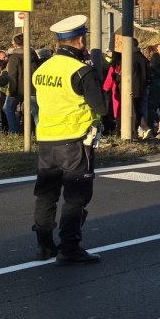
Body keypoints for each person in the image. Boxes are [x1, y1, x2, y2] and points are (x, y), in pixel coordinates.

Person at [30, 15, 108, 265]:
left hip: (46, 140)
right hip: (74, 141)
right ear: (81, 40)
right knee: (76, 197)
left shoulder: (42, 69)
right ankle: (70, 247)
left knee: (46, 195)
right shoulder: (81, 71)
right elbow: (101, 107)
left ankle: (44, 246)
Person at [2, 34, 38, 135]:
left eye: (13, 42)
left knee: (8, 108)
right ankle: (40, 134)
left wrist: (12, 91)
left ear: (16, 44)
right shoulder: (34, 55)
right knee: (35, 113)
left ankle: (14, 131)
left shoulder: (14, 57)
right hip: (32, 88)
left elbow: (12, 75)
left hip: (18, 89)